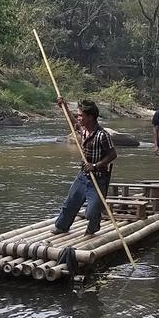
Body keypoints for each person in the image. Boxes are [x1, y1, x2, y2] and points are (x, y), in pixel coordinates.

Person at [52, 98, 117, 236]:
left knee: (92, 212)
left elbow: (113, 155)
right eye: (78, 115)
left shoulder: (102, 135)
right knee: (70, 204)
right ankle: (62, 226)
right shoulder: (83, 129)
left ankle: (93, 227)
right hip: (83, 176)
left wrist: (95, 165)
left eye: (81, 115)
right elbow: (72, 121)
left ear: (90, 117)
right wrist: (63, 106)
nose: (79, 118)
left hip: (98, 179)